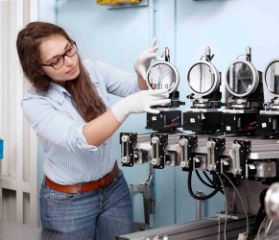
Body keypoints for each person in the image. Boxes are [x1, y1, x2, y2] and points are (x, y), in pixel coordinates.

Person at [16, 21, 170, 240]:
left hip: (113, 188)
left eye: (68, 49)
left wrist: (142, 74)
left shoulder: (93, 70)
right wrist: (124, 107)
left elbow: (137, 90)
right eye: (55, 61)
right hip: (68, 202)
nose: (69, 61)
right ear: (39, 69)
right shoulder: (34, 103)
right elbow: (80, 138)